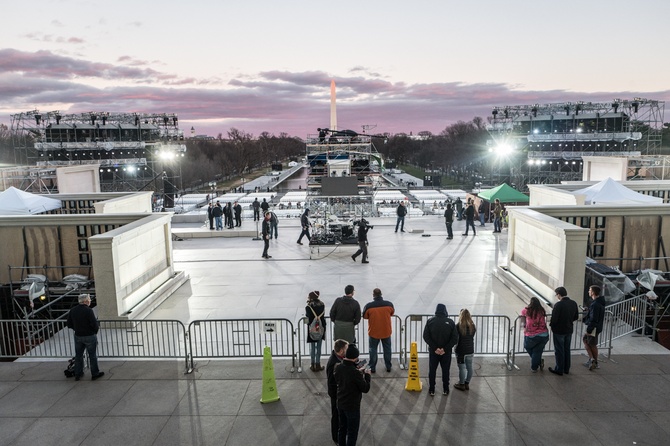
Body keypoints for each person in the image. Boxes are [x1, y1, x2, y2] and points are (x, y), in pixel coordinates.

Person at [333, 345, 371, 446]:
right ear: (355, 358)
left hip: (340, 403)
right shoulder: (355, 373)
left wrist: (357, 371)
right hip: (352, 406)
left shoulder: (338, 367)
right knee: (352, 433)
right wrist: (367, 375)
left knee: (342, 429)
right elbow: (365, 388)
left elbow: (343, 377)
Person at [422, 303, 459, 396]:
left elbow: (426, 336)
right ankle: (445, 389)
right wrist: (445, 349)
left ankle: (432, 389)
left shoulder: (430, 321)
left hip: (433, 352)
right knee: (446, 371)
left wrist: (435, 348)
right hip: (446, 353)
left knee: (432, 370)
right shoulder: (450, 322)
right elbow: (455, 338)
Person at [66, 294, 104, 381]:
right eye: (89, 300)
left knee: (78, 355)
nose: (90, 301)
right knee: (92, 356)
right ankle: (95, 373)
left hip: (78, 335)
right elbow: (94, 324)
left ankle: (78, 374)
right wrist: (94, 332)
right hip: (89, 335)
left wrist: (76, 329)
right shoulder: (89, 311)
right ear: (86, 301)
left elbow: (69, 324)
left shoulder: (73, 310)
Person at [548, 286, 579, 376]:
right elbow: (576, 316)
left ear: (559, 294)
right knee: (566, 349)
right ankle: (566, 368)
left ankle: (559, 369)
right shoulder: (573, 303)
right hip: (569, 329)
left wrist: (552, 327)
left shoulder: (558, 305)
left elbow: (554, 319)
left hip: (559, 330)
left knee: (559, 350)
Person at [362, 288, 394, 373]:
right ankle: (388, 366)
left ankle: (372, 367)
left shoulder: (369, 306)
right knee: (387, 349)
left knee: (373, 349)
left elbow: (365, 316)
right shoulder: (389, 304)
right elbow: (392, 313)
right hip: (386, 331)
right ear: (381, 294)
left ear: (373, 295)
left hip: (374, 332)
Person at [327, 339, 349, 443]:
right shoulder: (334, 363)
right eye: (346, 349)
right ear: (340, 351)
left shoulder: (339, 358)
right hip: (336, 394)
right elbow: (332, 382)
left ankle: (342, 433)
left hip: (340, 393)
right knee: (336, 416)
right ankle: (336, 438)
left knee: (341, 416)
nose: (347, 351)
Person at [521, 297, 549, 372]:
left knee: (527, 347)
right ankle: (536, 364)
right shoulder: (542, 310)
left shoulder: (526, 311)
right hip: (544, 334)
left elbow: (522, 315)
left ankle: (536, 365)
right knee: (537, 351)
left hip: (531, 335)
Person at [582, 285, 606, 371]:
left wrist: (589, 329)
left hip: (593, 328)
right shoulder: (598, 302)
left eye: (589, 290)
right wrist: (588, 310)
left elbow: (594, 318)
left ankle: (594, 361)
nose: (588, 291)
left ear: (593, 292)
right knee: (587, 341)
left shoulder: (595, 304)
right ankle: (592, 360)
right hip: (597, 327)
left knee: (591, 343)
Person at [453, 308, 476, 391]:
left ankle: (461, 384)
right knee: (469, 367)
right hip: (470, 350)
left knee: (462, 368)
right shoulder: (472, 326)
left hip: (461, 350)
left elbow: (456, 339)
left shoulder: (458, 326)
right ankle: (467, 383)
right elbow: (472, 336)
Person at [305, 290, 326, 371]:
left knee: (312, 347)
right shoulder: (322, 305)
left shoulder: (308, 307)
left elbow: (308, 317)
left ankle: (312, 364)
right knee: (319, 346)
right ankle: (318, 364)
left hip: (312, 328)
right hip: (320, 328)